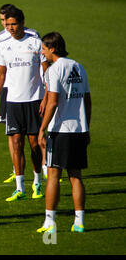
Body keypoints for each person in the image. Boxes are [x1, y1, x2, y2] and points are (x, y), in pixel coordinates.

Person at [0, 7, 48, 201]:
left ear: (22, 23)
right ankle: (20, 187)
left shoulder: (35, 42)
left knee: (34, 143)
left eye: (14, 24)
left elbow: (45, 71)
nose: (10, 28)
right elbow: (1, 74)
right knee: (16, 142)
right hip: (13, 101)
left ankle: (37, 182)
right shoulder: (3, 46)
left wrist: (47, 95)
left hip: (34, 100)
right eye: (7, 24)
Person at [37, 32, 91, 233]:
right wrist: (87, 127)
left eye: (44, 49)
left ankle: (50, 222)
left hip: (60, 130)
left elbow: (51, 103)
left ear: (52, 48)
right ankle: (79, 222)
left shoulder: (54, 70)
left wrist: (42, 128)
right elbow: (87, 100)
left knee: (53, 174)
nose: (42, 53)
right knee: (76, 176)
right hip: (79, 130)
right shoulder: (79, 66)